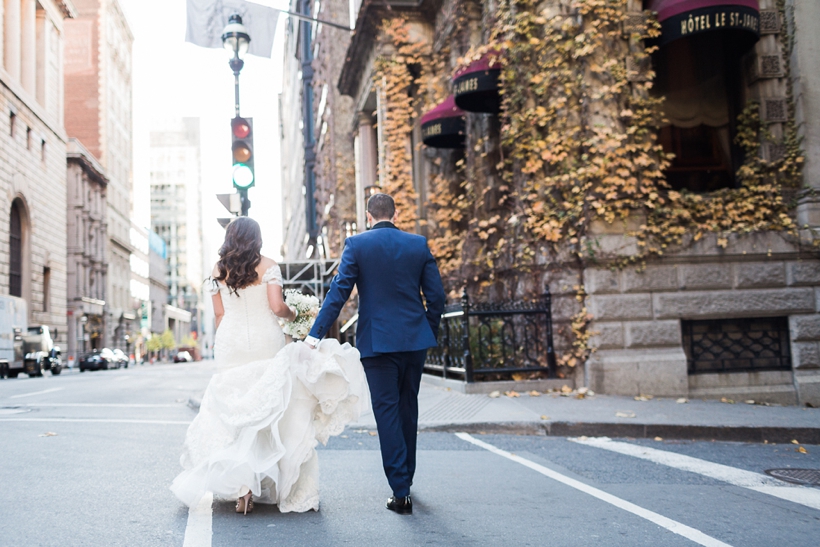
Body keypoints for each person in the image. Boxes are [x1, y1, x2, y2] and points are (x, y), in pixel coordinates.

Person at [170, 217, 369, 515]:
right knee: (268, 411)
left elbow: (219, 315)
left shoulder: (217, 269)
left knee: (237, 412)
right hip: (265, 340)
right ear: (256, 239)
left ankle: (242, 486)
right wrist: (295, 314)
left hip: (231, 341)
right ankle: (266, 480)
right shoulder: (268, 266)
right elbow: (276, 307)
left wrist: (224, 340)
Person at [306, 193, 446, 515]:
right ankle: (406, 479)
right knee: (408, 407)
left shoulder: (358, 245)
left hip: (378, 343)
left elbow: (338, 293)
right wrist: (427, 329)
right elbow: (436, 297)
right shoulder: (418, 244)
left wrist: (314, 336)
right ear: (394, 215)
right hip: (414, 342)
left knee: (387, 413)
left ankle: (401, 491)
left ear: (369, 216)